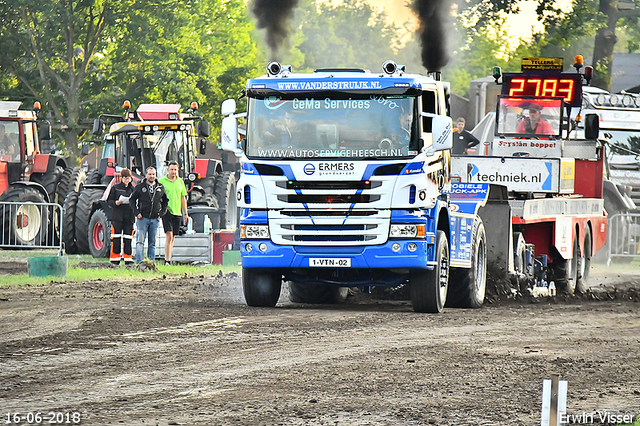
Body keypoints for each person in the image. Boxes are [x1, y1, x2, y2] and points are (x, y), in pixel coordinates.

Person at [129, 166, 168, 264]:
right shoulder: (140, 187)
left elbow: (165, 201)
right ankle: (140, 263)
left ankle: (151, 263)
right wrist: (136, 212)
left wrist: (161, 213)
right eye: (150, 174)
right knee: (140, 242)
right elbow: (132, 200)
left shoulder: (160, 187)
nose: (151, 176)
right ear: (146, 175)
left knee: (152, 243)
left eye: (153, 174)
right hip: (143, 218)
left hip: (155, 219)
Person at [159, 160, 190, 264]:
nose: (173, 172)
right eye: (172, 170)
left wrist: (186, 213)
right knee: (169, 235)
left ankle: (169, 257)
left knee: (173, 237)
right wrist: (161, 209)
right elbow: (158, 197)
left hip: (177, 212)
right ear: (168, 170)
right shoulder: (162, 181)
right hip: (166, 211)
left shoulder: (180, 182)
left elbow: (183, 198)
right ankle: (167, 260)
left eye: (175, 170)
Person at [106, 168, 136, 265]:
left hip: (129, 217)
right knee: (116, 237)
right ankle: (115, 259)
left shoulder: (133, 189)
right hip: (117, 217)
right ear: (121, 178)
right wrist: (116, 203)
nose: (127, 180)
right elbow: (109, 201)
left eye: (128, 178)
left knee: (128, 237)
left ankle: (128, 258)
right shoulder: (115, 188)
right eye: (125, 178)